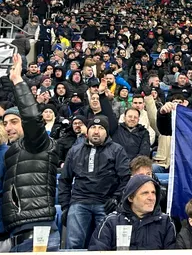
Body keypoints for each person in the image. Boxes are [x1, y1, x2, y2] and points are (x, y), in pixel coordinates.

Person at [2, 54, 60, 252]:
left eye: (14, 122)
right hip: (14, 235)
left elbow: (32, 117)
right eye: (5, 123)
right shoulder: (11, 152)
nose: (8, 127)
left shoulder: (38, 143)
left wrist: (18, 81)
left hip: (38, 232)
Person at [59, 115, 131, 249]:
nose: (96, 131)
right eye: (93, 127)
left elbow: (126, 179)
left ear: (107, 132)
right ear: (87, 131)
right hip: (79, 201)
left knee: (105, 245)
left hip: (106, 203)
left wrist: (116, 199)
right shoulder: (75, 151)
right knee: (73, 244)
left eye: (101, 128)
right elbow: (64, 180)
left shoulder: (117, 150)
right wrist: (64, 206)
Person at [88, 175, 176, 250]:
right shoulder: (111, 222)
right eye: (145, 193)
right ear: (130, 198)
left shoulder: (166, 222)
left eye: (153, 193)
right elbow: (97, 250)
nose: (151, 197)